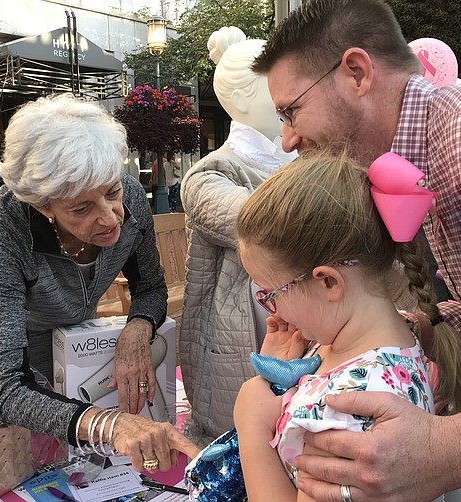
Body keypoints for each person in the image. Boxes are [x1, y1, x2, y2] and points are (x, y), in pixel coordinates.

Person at [252, 0, 461, 499]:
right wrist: (401, 335)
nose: (286, 139)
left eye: (290, 110)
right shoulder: (426, 162)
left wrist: (448, 448)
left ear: (357, 73)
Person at [0, 93, 199, 472]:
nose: (110, 218)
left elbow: (151, 287)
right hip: (18, 354)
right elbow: (7, 386)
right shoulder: (3, 226)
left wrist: (137, 330)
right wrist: (110, 424)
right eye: (81, 208)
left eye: (112, 193)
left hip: (77, 347)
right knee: (44, 462)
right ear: (43, 206)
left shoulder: (132, 197)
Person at [233, 151, 461, 502]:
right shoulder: (389, 334)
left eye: (272, 293)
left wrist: (252, 424)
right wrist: (284, 377)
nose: (273, 309)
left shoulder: (348, 411)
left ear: (328, 282)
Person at [180, 26, 297, 444]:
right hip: (240, 338)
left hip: (306, 328)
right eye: (277, 82)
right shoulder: (210, 173)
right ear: (245, 97)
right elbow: (262, 224)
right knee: (244, 444)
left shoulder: (305, 156)